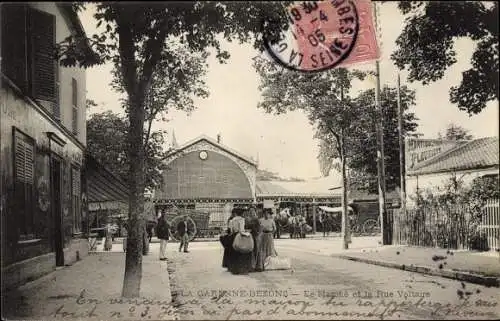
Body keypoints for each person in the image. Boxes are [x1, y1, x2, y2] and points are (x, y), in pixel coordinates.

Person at [227, 208, 253, 275]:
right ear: (241, 213)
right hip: (239, 236)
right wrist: (247, 233)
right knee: (242, 252)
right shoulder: (241, 220)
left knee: (234, 253)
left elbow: (231, 230)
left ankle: (234, 269)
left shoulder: (232, 220)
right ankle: (242, 269)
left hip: (233, 236)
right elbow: (241, 230)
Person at [245, 207, 262, 272]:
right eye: (250, 211)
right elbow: (245, 227)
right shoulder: (247, 219)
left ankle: (258, 266)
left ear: (255, 211)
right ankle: (251, 266)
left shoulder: (257, 219)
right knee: (250, 251)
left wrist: (256, 232)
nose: (251, 212)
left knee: (257, 250)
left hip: (256, 236)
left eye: (252, 211)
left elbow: (259, 229)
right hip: (249, 236)